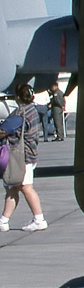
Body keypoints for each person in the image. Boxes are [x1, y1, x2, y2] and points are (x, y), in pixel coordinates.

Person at [1, 88, 47, 232]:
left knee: (26, 187)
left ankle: (39, 219)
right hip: (30, 154)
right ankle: (3, 221)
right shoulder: (32, 110)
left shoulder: (20, 113)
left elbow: (4, 130)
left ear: (18, 97)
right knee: (12, 188)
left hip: (21, 157)